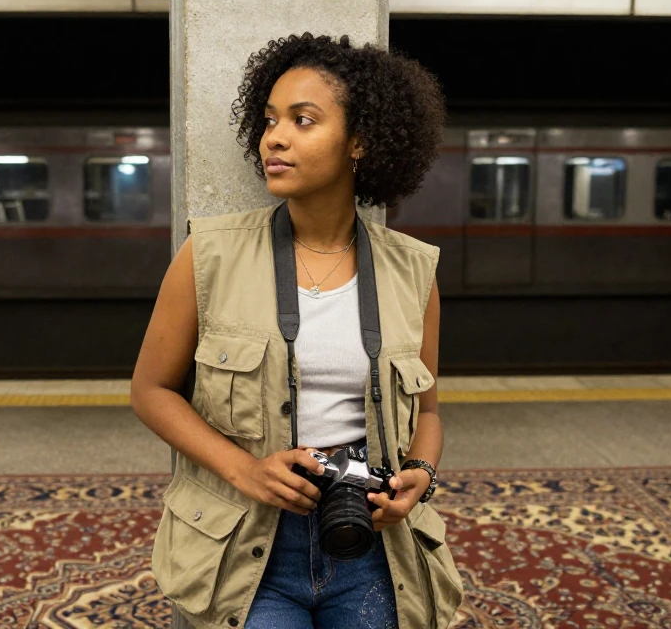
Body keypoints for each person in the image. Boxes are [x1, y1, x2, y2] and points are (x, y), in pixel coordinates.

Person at [130, 33, 463, 629]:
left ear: (360, 142)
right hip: (245, 545)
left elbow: (429, 412)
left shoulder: (413, 270)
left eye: (303, 121)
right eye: (269, 121)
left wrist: (421, 477)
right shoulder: (208, 255)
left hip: (369, 546)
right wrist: (246, 470)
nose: (274, 138)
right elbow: (150, 391)